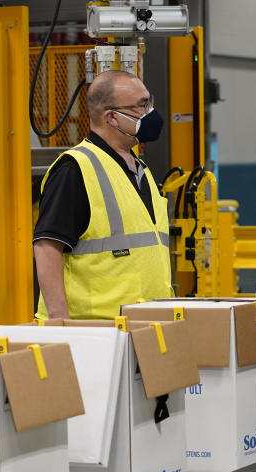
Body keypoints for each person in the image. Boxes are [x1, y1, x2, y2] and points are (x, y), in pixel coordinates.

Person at [32, 70, 173, 320]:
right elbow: (47, 246)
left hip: (144, 328)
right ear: (112, 118)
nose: (150, 112)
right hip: (97, 331)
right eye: (142, 105)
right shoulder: (75, 168)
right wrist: (59, 321)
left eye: (149, 102)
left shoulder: (140, 169)